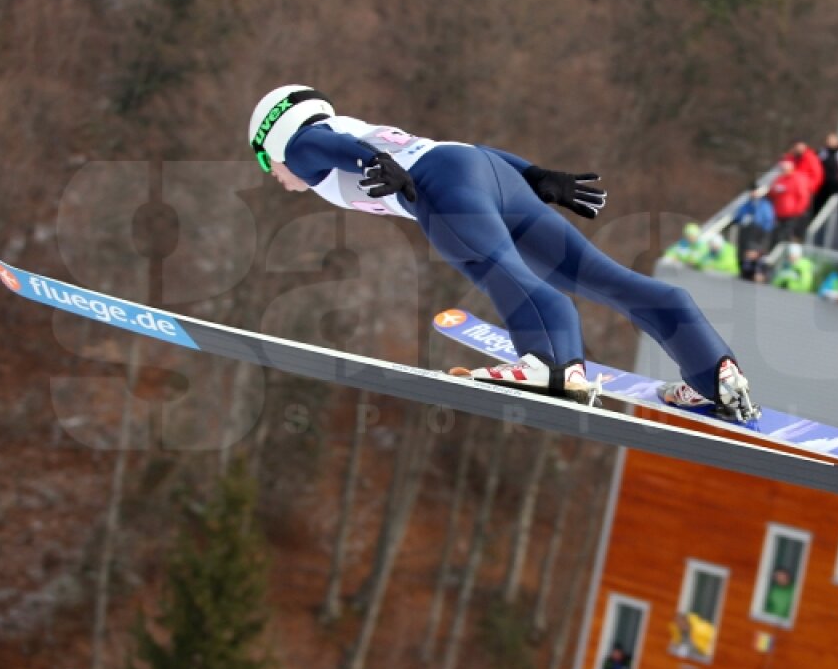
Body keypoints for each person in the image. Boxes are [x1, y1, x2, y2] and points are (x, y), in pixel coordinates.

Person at [249, 85, 760, 421]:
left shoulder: (301, 146)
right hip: (486, 171)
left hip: (444, 186)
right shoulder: (352, 127)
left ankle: (552, 365)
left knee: (497, 268)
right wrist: (535, 174)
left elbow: (324, 150)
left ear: (273, 138)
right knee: (602, 277)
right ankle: (712, 372)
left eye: (263, 160)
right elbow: (456, 149)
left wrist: (375, 162)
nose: (273, 174)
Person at [768, 160, 811, 243]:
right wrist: (775, 190)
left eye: (785, 169)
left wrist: (798, 210)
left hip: (792, 214)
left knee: (787, 235)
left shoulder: (797, 179)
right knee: (776, 235)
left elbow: (803, 196)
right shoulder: (779, 179)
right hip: (779, 213)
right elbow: (771, 192)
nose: (783, 170)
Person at [730, 186, 776, 253]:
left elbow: (769, 220)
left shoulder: (765, 205)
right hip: (746, 232)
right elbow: (738, 217)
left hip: (759, 233)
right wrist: (742, 220)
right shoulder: (746, 205)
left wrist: (764, 231)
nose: (753, 193)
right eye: (752, 192)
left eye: (755, 191)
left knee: (755, 252)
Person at [812, 132, 838, 217]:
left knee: (832, 210)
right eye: (828, 140)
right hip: (821, 185)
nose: (829, 142)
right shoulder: (821, 152)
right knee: (817, 209)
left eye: (832, 140)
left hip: (835, 186)